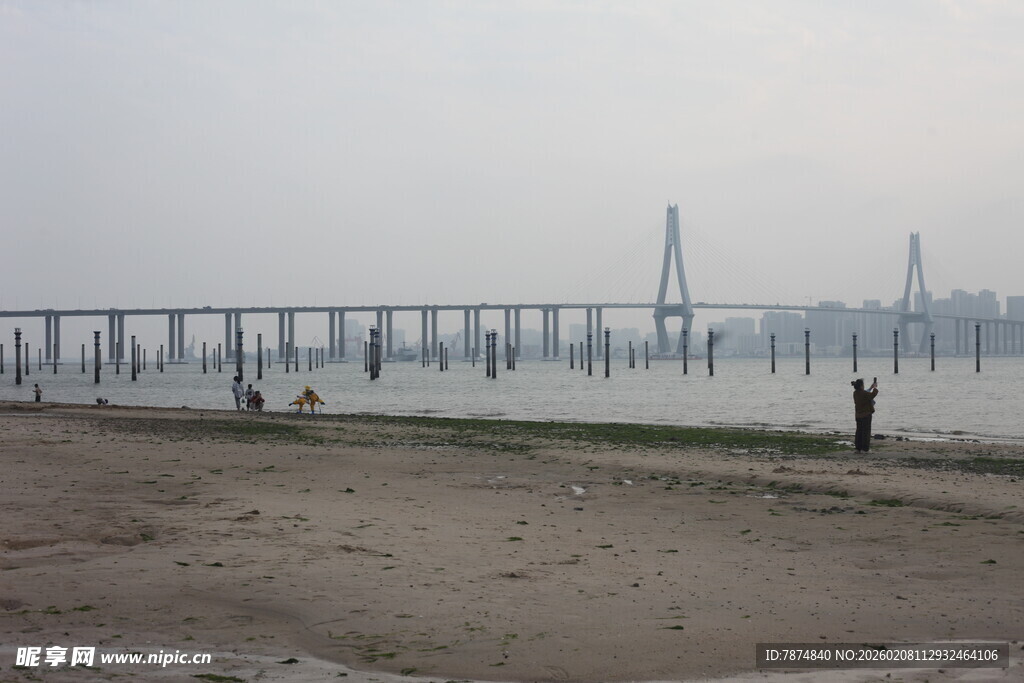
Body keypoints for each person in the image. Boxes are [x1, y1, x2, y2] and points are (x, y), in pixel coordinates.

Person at [851, 378, 879, 453]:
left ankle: (858, 448)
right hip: (866, 415)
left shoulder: (855, 393)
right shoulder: (864, 394)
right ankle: (865, 449)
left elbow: (865, 393)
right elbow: (873, 394)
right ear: (861, 386)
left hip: (858, 415)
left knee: (859, 432)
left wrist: (871, 387)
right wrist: (875, 388)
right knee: (866, 432)